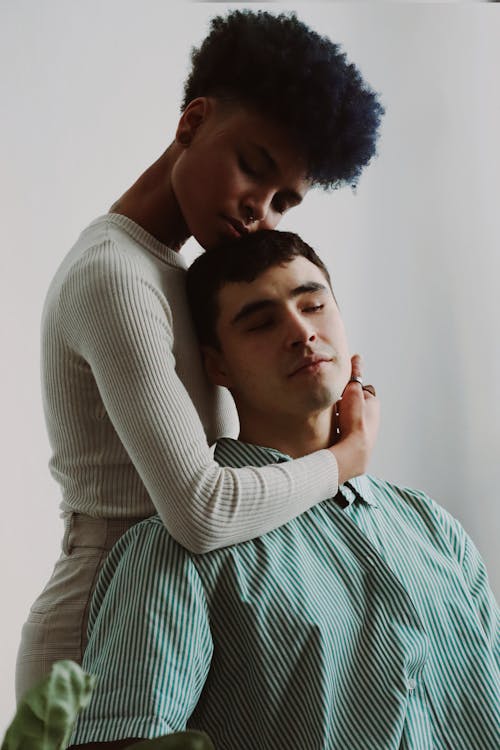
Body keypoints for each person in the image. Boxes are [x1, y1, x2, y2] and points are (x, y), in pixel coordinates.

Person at [15, 10, 384, 701]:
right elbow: (200, 509)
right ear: (193, 121)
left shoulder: (173, 274)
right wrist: (343, 461)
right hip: (95, 642)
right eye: (254, 167)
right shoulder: (114, 275)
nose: (259, 212)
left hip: (175, 620)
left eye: (284, 201)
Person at [68, 230, 499, 750]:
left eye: (314, 305)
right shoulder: (172, 552)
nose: (301, 332)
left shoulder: (430, 525)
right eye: (261, 323)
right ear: (218, 365)